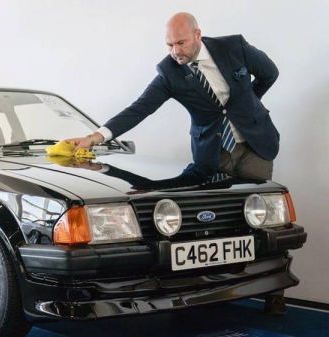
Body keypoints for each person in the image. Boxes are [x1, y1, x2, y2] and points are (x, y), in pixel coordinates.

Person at [67, 12, 285, 315]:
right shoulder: (170, 72)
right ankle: (213, 291)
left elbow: (269, 73)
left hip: (255, 145)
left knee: (262, 221)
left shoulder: (234, 47)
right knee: (214, 224)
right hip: (213, 153)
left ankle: (272, 290)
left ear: (198, 35)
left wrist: (245, 107)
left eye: (181, 43)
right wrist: (96, 136)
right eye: (169, 44)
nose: (175, 51)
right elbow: (140, 107)